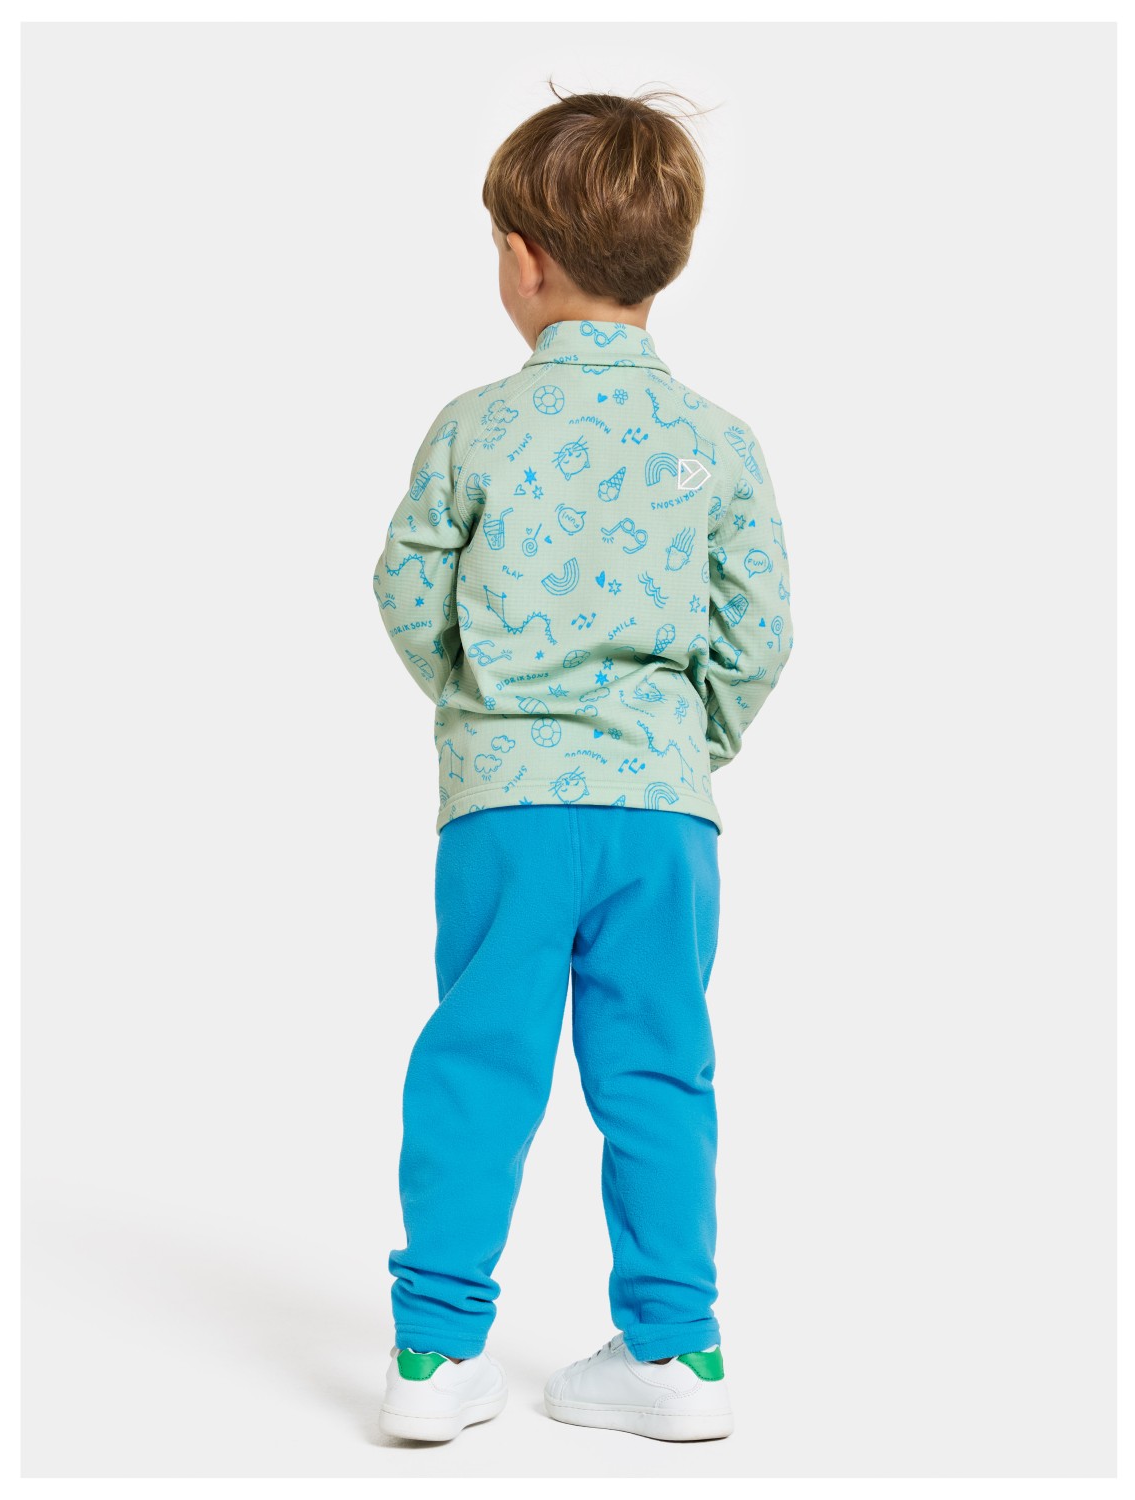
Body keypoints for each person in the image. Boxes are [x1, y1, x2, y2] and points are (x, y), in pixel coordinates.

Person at [371, 86, 794, 1444]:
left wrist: (487, 705)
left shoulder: (476, 427)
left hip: (506, 810)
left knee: (479, 1060)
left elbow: (405, 587)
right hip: (662, 819)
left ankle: (435, 1353)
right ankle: (676, 1355)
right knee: (660, 1071)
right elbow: (761, 628)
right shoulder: (717, 440)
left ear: (521, 258)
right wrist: (685, 741)